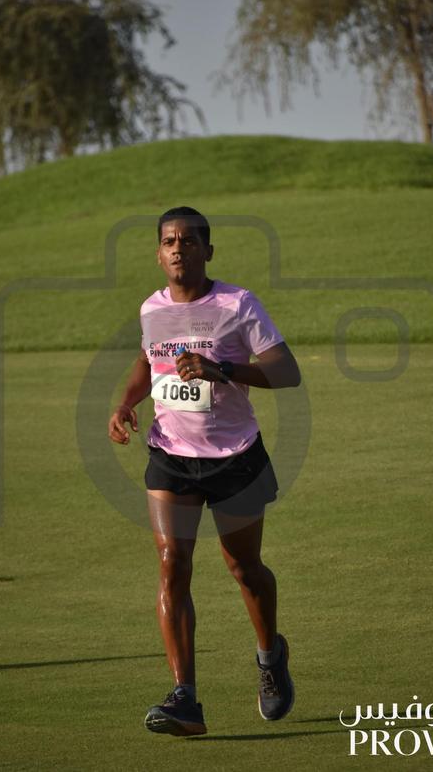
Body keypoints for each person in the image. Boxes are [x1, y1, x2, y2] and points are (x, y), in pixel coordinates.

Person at [108, 206, 301, 737]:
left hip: (235, 457)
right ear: (158, 253)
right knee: (172, 563)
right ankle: (185, 699)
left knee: (244, 568)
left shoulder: (237, 304)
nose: (178, 249)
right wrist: (125, 402)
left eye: (189, 241)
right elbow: (148, 362)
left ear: (207, 251)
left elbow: (287, 371)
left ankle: (270, 656)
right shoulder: (152, 308)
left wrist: (223, 370)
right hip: (170, 455)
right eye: (169, 241)